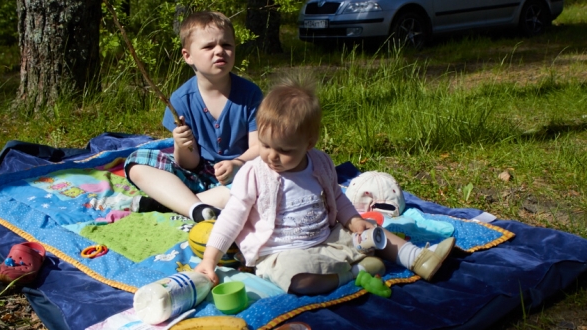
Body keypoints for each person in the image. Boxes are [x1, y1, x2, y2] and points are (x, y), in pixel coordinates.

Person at [195, 76, 455, 295]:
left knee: (375, 232)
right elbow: (231, 218)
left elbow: (337, 198)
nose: (271, 156)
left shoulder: (319, 163)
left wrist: (353, 221)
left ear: (309, 143)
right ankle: (355, 271)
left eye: (284, 150)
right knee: (296, 279)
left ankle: (418, 258)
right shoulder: (254, 173)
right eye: (264, 145)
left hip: (328, 236)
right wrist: (210, 260)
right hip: (281, 251)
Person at [125, 11, 262, 222]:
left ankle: (171, 204)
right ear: (187, 56)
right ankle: (196, 207)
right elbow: (188, 164)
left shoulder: (250, 94)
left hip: (239, 174)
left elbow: (259, 147)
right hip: (197, 174)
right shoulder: (181, 99)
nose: (219, 51)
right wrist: (181, 145)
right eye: (208, 47)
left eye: (227, 45)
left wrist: (237, 164)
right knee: (137, 162)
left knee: (264, 178)